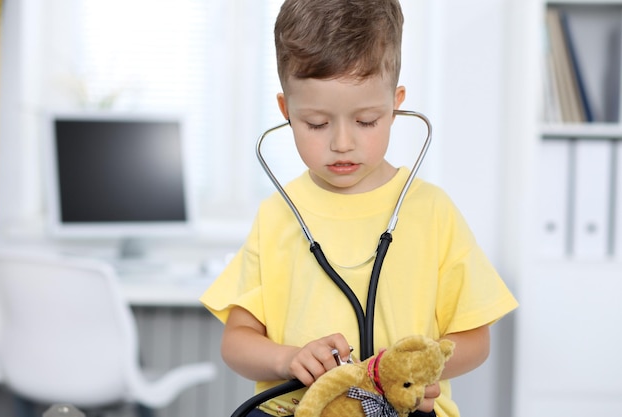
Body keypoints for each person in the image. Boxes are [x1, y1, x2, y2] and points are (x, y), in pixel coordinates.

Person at [200, 0, 518, 416]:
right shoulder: (277, 214)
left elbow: (475, 341)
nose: (342, 143)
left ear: (395, 106)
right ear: (286, 111)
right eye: (316, 123)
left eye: (366, 120)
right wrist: (287, 359)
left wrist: (410, 371)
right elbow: (237, 342)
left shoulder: (432, 212)